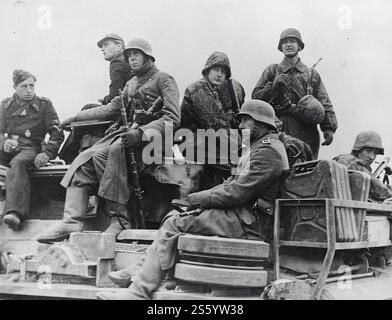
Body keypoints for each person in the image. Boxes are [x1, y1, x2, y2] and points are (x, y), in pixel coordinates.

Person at [96, 99, 289, 300]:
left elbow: (236, 192)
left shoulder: (268, 151)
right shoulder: (259, 147)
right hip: (240, 215)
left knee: (175, 224)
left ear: (260, 123)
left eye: (245, 121)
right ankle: (140, 272)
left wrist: (197, 198)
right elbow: (230, 185)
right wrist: (198, 199)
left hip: (248, 223)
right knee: (174, 215)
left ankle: (139, 292)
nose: (240, 126)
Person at [36, 38, 180, 242]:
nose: (131, 60)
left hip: (151, 142)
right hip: (126, 135)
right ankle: (71, 221)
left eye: (136, 55)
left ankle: (120, 220)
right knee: (85, 157)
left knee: (112, 152)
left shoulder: (164, 79)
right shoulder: (131, 83)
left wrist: (142, 133)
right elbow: (110, 109)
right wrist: (76, 117)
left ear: (148, 56)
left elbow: (172, 118)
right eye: (129, 56)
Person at [252, 28, 338, 159]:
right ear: (281, 47)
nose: (288, 45)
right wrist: (273, 87)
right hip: (278, 128)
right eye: (285, 42)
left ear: (299, 46)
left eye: (292, 41)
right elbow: (256, 99)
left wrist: (329, 128)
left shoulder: (311, 74)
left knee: (305, 170)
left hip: (306, 130)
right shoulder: (272, 71)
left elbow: (324, 101)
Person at [0, 70, 64, 230]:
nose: (29, 90)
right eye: (24, 86)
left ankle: (14, 213)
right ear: (15, 87)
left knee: (19, 163)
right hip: (8, 147)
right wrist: (3, 142)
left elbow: (57, 132)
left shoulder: (44, 105)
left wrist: (47, 153)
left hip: (31, 147)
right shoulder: (6, 105)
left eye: (31, 86)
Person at [59, 33, 133, 163]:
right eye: (101, 47)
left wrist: (106, 100)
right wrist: (106, 99)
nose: (102, 49)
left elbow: (115, 94)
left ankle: (67, 155)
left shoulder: (117, 61)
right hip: (127, 108)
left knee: (87, 109)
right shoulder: (127, 61)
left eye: (106, 45)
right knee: (89, 110)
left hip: (122, 113)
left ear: (119, 46)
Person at [180, 51, 245, 187]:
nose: (219, 74)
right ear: (207, 70)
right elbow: (214, 124)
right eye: (216, 69)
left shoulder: (227, 89)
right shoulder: (197, 89)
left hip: (213, 140)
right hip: (194, 140)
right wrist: (240, 149)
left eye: (223, 71)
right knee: (237, 166)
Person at [334, 130, 392, 202]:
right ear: (358, 149)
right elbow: (380, 190)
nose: (372, 157)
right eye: (368, 151)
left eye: (375, 153)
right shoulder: (351, 162)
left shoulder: (343, 160)